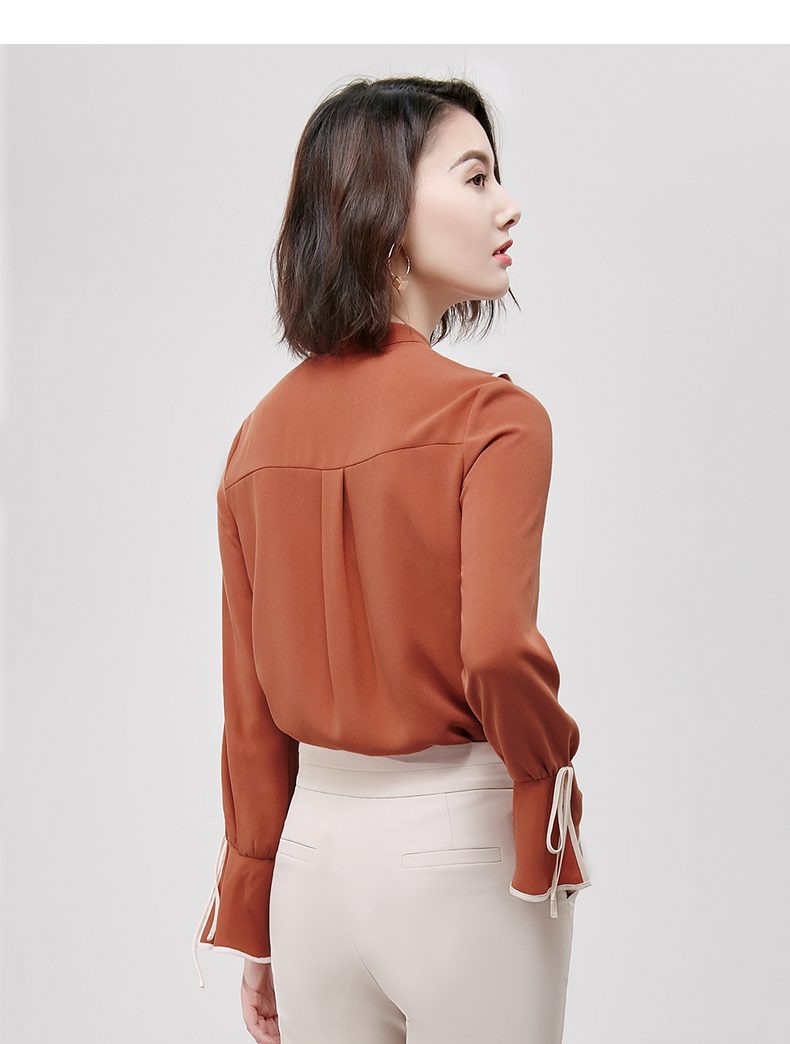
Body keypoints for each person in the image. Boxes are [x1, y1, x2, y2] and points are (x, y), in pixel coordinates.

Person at [193, 76, 591, 1044]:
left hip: (310, 866)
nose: (508, 205)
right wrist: (548, 779)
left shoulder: (254, 442)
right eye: (476, 176)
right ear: (384, 212)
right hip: (459, 846)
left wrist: (256, 918)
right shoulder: (496, 420)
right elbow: (494, 651)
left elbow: (249, 715)